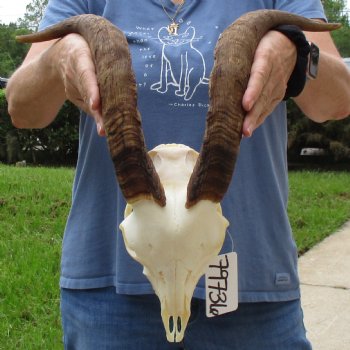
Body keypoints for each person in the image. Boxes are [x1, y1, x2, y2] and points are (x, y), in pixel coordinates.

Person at [6, 0, 350, 349]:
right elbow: (21, 108)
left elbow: (337, 100)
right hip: (110, 295)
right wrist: (56, 59)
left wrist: (298, 54)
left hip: (251, 297)